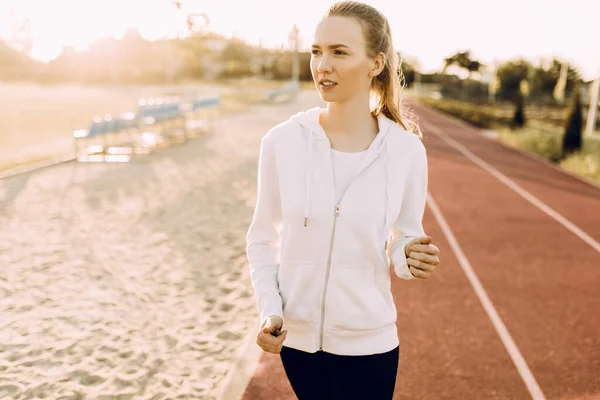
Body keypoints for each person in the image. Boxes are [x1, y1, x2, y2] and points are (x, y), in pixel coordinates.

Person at [245, 1, 441, 398]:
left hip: (371, 344)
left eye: (339, 52)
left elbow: (403, 239)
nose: (322, 65)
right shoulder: (282, 142)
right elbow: (262, 238)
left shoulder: (406, 151)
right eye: (317, 51)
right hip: (297, 345)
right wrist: (271, 309)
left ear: (376, 63)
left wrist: (409, 255)